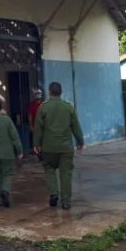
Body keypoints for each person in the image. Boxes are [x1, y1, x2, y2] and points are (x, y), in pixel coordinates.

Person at [34, 82, 84, 210]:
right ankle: (66, 202)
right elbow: (76, 126)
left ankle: (53, 194)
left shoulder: (43, 107)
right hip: (66, 148)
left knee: (49, 170)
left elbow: (38, 128)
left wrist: (37, 144)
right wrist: (80, 141)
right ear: (61, 92)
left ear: (50, 92)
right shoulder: (69, 107)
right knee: (65, 174)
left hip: (48, 147)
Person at [27, 89, 44, 156]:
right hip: (35, 126)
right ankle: (36, 152)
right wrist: (31, 125)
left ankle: (42, 153)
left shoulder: (44, 104)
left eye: (39, 93)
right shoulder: (32, 105)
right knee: (36, 140)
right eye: (37, 93)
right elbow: (30, 116)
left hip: (42, 126)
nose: (38, 95)